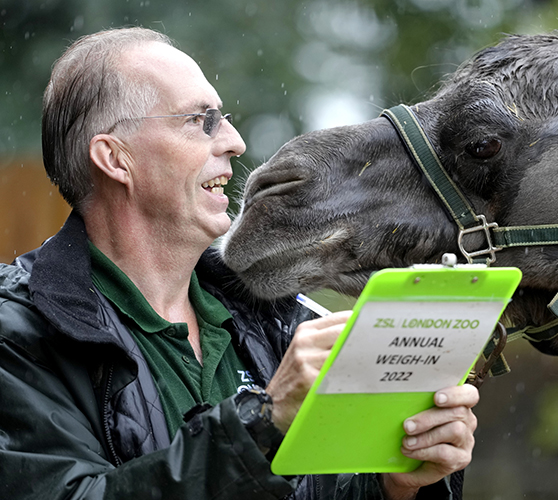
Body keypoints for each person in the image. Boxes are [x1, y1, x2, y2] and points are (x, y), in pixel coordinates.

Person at [0, 27, 479, 499]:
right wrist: (263, 421)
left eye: (223, 118)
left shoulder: (280, 321)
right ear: (115, 158)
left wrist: (398, 485)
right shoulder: (18, 335)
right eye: (199, 120)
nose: (234, 140)